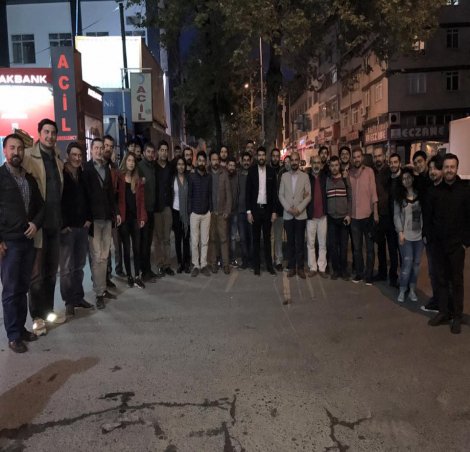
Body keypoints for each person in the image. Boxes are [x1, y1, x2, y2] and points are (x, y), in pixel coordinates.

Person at [0, 134, 44, 352]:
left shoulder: (29, 179)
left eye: (19, 148)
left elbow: (41, 207)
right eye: (12, 148)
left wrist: (36, 224)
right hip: (9, 243)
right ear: (5, 151)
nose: (16, 152)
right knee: (10, 290)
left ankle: (21, 328)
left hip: (27, 240)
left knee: (22, 287)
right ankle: (13, 335)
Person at [23, 118, 64, 335]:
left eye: (53, 133)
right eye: (46, 132)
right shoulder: (29, 157)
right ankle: (37, 317)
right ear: (39, 134)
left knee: (51, 273)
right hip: (38, 226)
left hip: (55, 225)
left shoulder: (57, 158)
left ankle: (48, 312)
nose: (50, 136)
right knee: (36, 275)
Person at [426, 154, 470, 334]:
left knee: (457, 282)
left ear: (457, 168)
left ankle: (457, 316)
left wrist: (465, 242)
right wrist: (430, 239)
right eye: (446, 167)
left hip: (457, 247)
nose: (449, 170)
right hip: (438, 245)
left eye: (452, 167)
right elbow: (429, 218)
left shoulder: (465, 191)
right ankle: (444, 312)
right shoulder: (435, 191)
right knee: (441, 280)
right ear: (442, 169)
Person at [83, 138, 121, 310]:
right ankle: (98, 293)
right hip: (94, 220)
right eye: (96, 148)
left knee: (105, 256)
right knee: (96, 256)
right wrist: (87, 218)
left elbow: (111, 195)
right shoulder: (86, 169)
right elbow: (85, 195)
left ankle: (103, 289)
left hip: (107, 218)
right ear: (91, 150)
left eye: (101, 148)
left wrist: (116, 213)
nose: (99, 151)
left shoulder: (106, 168)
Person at [59, 142, 93, 317]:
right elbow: (57, 201)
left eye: (80, 155)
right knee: (66, 268)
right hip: (67, 229)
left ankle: (79, 297)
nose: (77, 158)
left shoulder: (83, 174)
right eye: (74, 155)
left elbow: (88, 197)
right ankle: (69, 302)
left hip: (82, 227)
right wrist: (62, 224)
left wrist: (88, 218)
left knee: (79, 266)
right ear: (68, 155)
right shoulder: (61, 174)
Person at [279, 151, 311, 279]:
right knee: (290, 242)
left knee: (300, 242)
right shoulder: (284, 176)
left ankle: (300, 267)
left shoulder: (305, 176)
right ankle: (292, 267)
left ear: (299, 161)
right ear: (289, 162)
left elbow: (308, 196)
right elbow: (281, 195)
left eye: (296, 160)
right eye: (292, 160)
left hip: (300, 214)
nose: (294, 162)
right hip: (288, 215)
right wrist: (288, 208)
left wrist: (299, 209)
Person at [394, 168, 424, 303]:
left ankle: (412, 289)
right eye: (403, 178)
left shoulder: (420, 195)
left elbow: (423, 215)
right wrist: (400, 232)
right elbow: (396, 216)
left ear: (412, 178)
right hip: (405, 237)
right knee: (406, 264)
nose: (406, 180)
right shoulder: (399, 197)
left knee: (416, 265)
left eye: (408, 177)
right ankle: (402, 288)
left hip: (419, 237)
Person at [246, 146, 278, 276]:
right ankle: (257, 266)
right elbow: (248, 193)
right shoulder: (251, 171)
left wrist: (274, 211)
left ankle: (269, 266)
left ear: (266, 157)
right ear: (256, 157)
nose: (261, 157)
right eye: (259, 155)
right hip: (255, 210)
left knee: (267, 239)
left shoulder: (271, 172)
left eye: (263, 155)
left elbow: (274, 193)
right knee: (256, 240)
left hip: (267, 211)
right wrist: (249, 212)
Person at [117, 152, 147, 289]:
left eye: (133, 161)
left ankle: (137, 276)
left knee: (136, 248)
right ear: (125, 161)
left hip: (135, 219)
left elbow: (141, 201)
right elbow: (116, 198)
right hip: (123, 219)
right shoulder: (119, 178)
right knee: (127, 249)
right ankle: (129, 275)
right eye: (129, 160)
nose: (131, 163)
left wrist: (142, 217)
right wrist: (117, 214)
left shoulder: (138, 180)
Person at [349, 148, 379, 285]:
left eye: (358, 156)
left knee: (370, 249)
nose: (356, 159)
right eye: (354, 157)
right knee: (357, 249)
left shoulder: (369, 172)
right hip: (354, 217)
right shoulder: (349, 173)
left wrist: (376, 213)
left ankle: (369, 275)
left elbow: (373, 193)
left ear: (362, 158)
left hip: (368, 216)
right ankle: (359, 273)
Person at [373, 147, 399, 287]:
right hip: (378, 216)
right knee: (381, 247)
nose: (378, 158)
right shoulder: (372, 172)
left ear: (384, 156)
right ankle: (382, 273)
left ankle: (393, 275)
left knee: (392, 248)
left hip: (391, 216)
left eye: (380, 156)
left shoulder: (390, 171)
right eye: (375, 156)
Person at [420, 155, 443, 312]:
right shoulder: (429, 189)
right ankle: (438, 301)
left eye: (436, 168)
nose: (433, 171)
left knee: (446, 273)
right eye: (431, 168)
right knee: (433, 272)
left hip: (447, 240)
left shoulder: (451, 189)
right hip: (431, 238)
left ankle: (448, 306)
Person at [325, 156, 351, 280]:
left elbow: (350, 197)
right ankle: (336, 270)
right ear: (329, 167)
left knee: (344, 246)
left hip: (343, 218)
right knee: (333, 246)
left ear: (339, 166)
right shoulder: (327, 180)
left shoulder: (345, 179)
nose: (334, 168)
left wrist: (348, 214)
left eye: (336, 165)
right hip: (331, 218)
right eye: (332, 165)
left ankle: (343, 270)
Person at [207, 151, 232, 274]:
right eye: (213, 159)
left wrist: (227, 210)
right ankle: (213, 264)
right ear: (210, 161)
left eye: (217, 159)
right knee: (212, 240)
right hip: (210, 213)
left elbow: (228, 193)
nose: (215, 161)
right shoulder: (207, 174)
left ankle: (226, 264)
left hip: (222, 213)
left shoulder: (224, 174)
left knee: (223, 239)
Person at [188, 151, 212, 277]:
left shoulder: (209, 177)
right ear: (196, 162)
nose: (202, 163)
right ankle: (195, 265)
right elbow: (189, 195)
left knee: (205, 241)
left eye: (204, 161)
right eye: (200, 160)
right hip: (195, 213)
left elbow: (210, 194)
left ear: (206, 162)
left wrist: (210, 210)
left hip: (206, 213)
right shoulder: (192, 177)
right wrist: (190, 212)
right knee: (194, 241)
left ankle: (203, 264)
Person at [138, 142, 158, 282]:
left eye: (152, 152)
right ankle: (144, 272)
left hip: (151, 210)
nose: (150, 154)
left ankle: (148, 269)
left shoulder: (152, 167)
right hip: (143, 211)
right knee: (144, 243)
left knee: (148, 242)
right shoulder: (140, 167)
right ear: (144, 153)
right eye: (148, 152)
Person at [103, 134, 122, 283]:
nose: (108, 149)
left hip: (113, 211)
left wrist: (117, 212)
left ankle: (115, 270)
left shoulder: (114, 168)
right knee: (104, 247)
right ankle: (105, 275)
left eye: (111, 146)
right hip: (100, 214)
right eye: (106, 146)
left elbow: (116, 191)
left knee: (115, 243)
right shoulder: (94, 165)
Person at [306, 154, 328, 278]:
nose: (316, 165)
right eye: (314, 162)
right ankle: (313, 267)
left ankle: (322, 267)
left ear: (321, 164)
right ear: (311, 163)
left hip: (323, 216)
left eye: (318, 162)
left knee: (322, 243)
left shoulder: (325, 178)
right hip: (311, 216)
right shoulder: (307, 178)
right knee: (310, 243)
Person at [155, 140, 174, 276]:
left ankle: (167, 265)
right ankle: (160, 264)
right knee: (158, 238)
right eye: (161, 150)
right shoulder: (153, 167)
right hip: (156, 207)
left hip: (167, 206)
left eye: (166, 150)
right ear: (158, 152)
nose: (164, 152)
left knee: (167, 238)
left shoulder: (170, 167)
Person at [171, 157, 191, 273]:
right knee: (178, 239)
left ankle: (187, 262)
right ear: (176, 166)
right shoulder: (173, 179)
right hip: (176, 211)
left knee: (186, 238)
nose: (181, 166)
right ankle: (180, 263)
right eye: (179, 164)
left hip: (186, 213)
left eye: (182, 164)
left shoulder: (188, 178)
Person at [237, 152, 253, 269]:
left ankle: (252, 261)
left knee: (251, 237)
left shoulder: (254, 174)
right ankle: (245, 261)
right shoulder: (238, 175)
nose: (246, 162)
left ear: (251, 161)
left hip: (252, 212)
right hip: (240, 211)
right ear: (241, 161)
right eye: (244, 160)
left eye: (248, 160)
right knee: (242, 238)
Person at [270, 148, 284, 271]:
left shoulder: (283, 171)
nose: (275, 158)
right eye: (273, 156)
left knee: (279, 236)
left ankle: (278, 260)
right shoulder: (267, 170)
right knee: (271, 236)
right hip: (269, 209)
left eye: (277, 156)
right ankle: (270, 259)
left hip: (280, 208)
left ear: (279, 157)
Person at [227, 157, 239, 266]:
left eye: (233, 165)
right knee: (225, 236)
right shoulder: (224, 176)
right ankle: (225, 258)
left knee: (233, 236)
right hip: (225, 212)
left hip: (235, 211)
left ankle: (233, 258)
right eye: (230, 165)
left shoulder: (237, 177)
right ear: (227, 166)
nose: (231, 167)